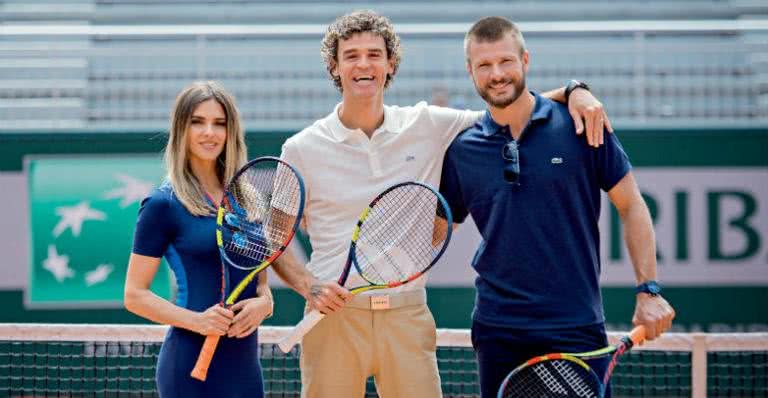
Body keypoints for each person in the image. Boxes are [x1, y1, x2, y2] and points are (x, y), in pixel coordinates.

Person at [272, 10, 612, 398]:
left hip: (407, 316)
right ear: (334, 66)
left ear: (390, 63)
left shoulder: (428, 124)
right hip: (332, 321)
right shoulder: (299, 148)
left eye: (374, 54)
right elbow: (274, 238)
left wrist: (573, 90)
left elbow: (506, 105)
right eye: (351, 55)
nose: (363, 64)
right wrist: (308, 285)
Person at [438, 17, 676, 398]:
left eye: (506, 62)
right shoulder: (462, 149)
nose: (497, 74)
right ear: (470, 71)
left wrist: (648, 290)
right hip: (498, 329)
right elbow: (434, 233)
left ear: (525, 60)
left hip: (574, 325)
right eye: (484, 65)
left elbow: (632, 205)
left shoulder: (583, 125)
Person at [124, 81, 274, 397]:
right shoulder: (162, 204)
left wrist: (265, 302)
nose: (210, 132)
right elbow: (134, 295)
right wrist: (198, 322)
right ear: (182, 129)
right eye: (198, 122)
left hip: (245, 370)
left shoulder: (247, 200)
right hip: (190, 366)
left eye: (220, 123)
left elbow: (258, 282)